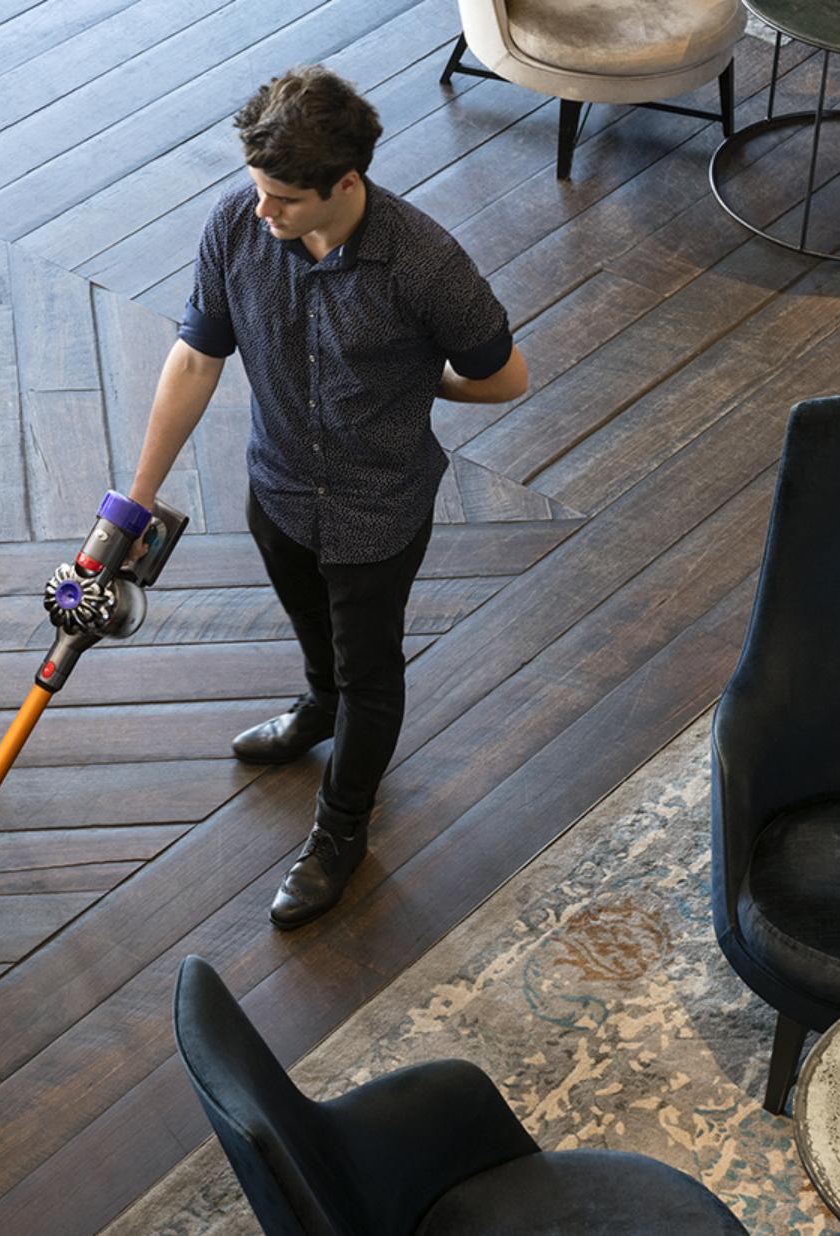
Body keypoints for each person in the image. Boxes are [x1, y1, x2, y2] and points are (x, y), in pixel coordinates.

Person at [125, 65, 528, 929]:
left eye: (282, 199)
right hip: (277, 490)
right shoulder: (238, 224)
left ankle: (342, 827)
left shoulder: (425, 264)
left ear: (346, 184)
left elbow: (507, 379)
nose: (260, 213)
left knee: (371, 673)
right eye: (256, 190)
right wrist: (138, 496)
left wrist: (422, 384)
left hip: (378, 512)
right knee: (319, 637)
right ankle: (318, 705)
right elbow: (197, 357)